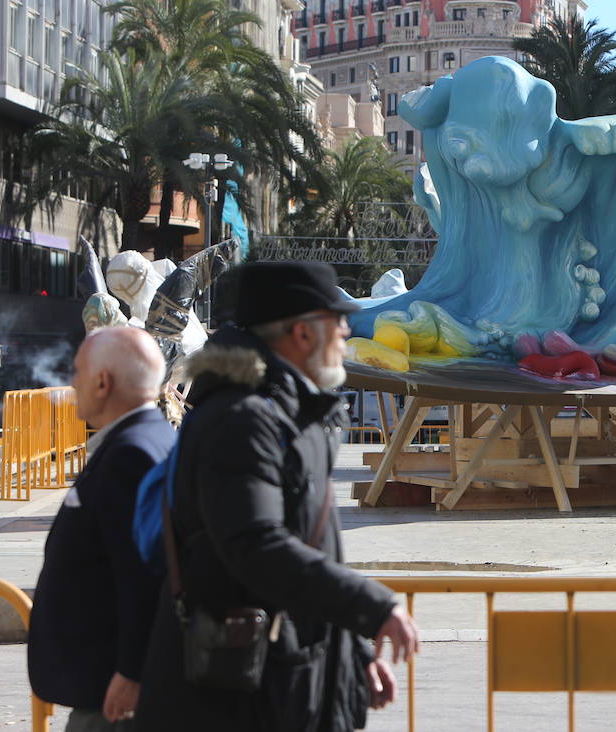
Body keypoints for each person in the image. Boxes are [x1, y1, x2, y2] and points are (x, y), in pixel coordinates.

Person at [138, 261, 419, 732]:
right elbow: (256, 545)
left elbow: (308, 549)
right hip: (235, 698)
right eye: (337, 319)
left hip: (283, 680)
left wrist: (349, 655)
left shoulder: (293, 415)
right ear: (302, 334)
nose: (347, 331)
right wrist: (373, 607)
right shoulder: (242, 420)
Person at [29, 327, 175, 730]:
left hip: (113, 693)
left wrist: (132, 672)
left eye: (77, 372)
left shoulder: (132, 453)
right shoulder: (148, 438)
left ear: (102, 381)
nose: (72, 383)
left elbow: (143, 574)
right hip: (108, 681)